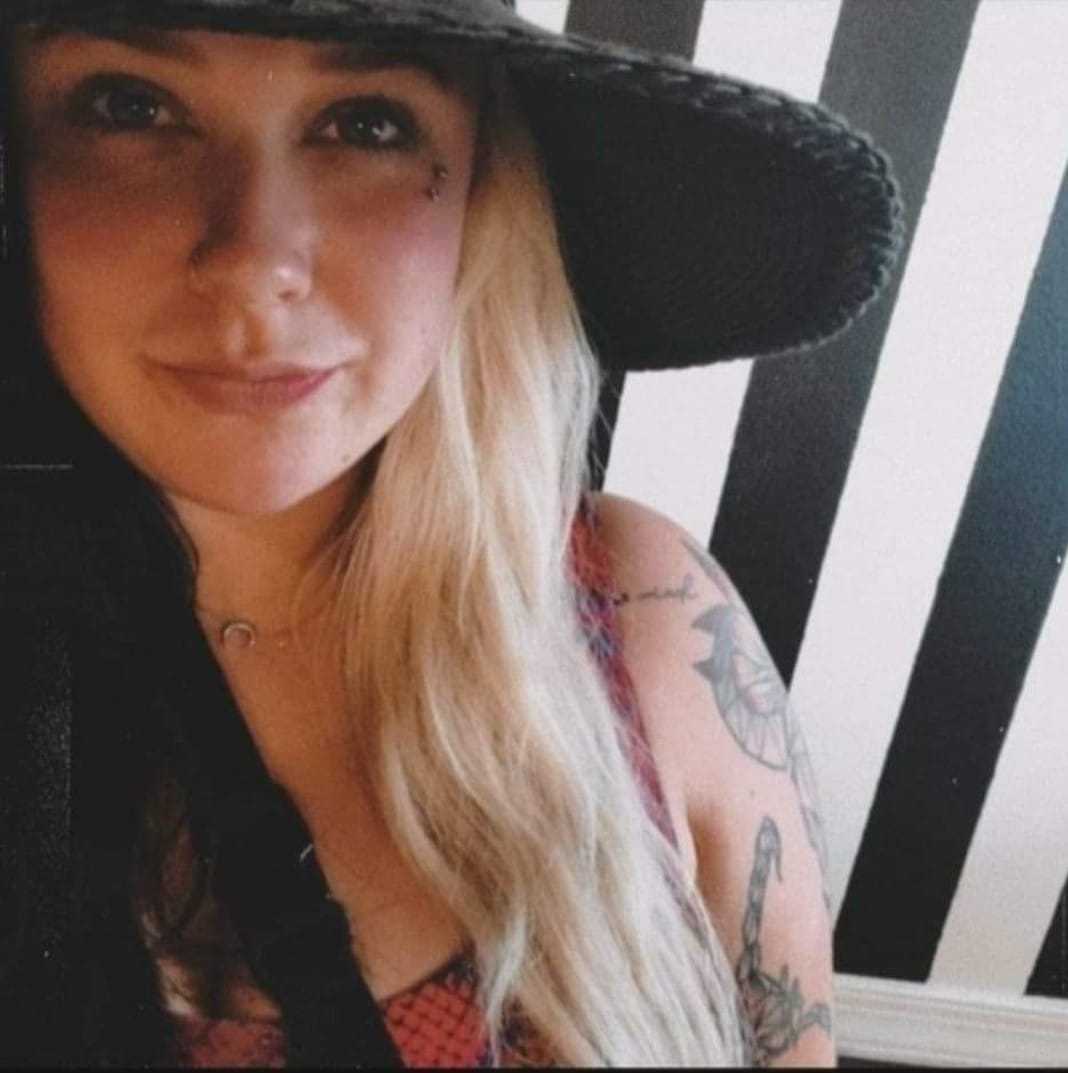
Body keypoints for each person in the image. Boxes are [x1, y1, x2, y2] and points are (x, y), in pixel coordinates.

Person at [0, 0, 903, 1067]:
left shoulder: (650, 623)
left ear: (484, 188)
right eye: (128, 105)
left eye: (367, 124)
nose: (254, 259)